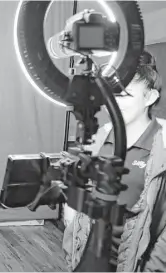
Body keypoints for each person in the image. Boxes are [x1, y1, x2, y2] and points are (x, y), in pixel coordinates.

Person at [62, 49, 166, 272]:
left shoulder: (163, 145)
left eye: (125, 94)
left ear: (150, 97)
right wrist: (72, 234)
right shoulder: (99, 138)